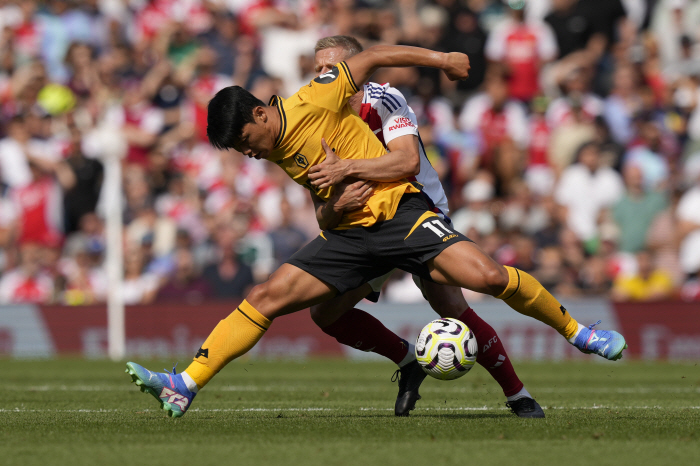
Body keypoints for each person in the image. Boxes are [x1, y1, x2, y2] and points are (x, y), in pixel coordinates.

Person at [126, 42, 627, 418]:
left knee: (489, 279)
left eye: (246, 141)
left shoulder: (313, 101)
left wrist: (442, 59)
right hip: (350, 234)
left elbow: (375, 63)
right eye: (240, 150)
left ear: (260, 114)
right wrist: (334, 203)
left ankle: (578, 334)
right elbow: (324, 207)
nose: (249, 152)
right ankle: (186, 382)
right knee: (268, 297)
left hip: (403, 215)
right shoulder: (275, 146)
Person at [306, 36, 541, 418]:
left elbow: (408, 163)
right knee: (324, 313)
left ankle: (518, 395)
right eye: (316, 68)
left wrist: (347, 168)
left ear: (356, 71)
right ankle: (408, 360)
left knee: (450, 305)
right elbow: (321, 205)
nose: (320, 76)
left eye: (329, 69)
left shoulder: (385, 100)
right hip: (367, 224)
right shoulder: (315, 117)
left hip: (419, 211)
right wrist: (334, 207)